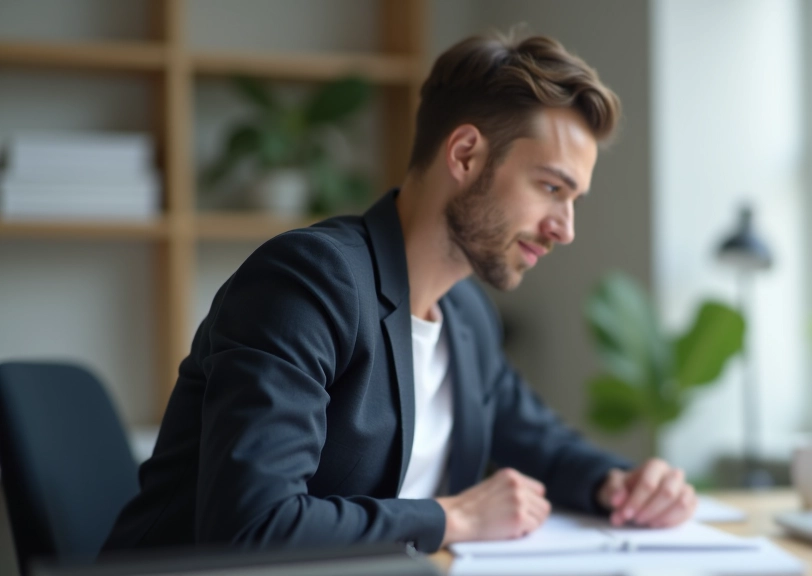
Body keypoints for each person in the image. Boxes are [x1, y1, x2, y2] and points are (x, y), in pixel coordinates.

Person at [104, 32, 697, 555]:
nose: (565, 228)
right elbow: (252, 526)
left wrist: (619, 483)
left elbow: (539, 439)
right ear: (465, 155)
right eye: (550, 188)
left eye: (574, 201)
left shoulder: (466, 315)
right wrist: (454, 517)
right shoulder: (308, 282)